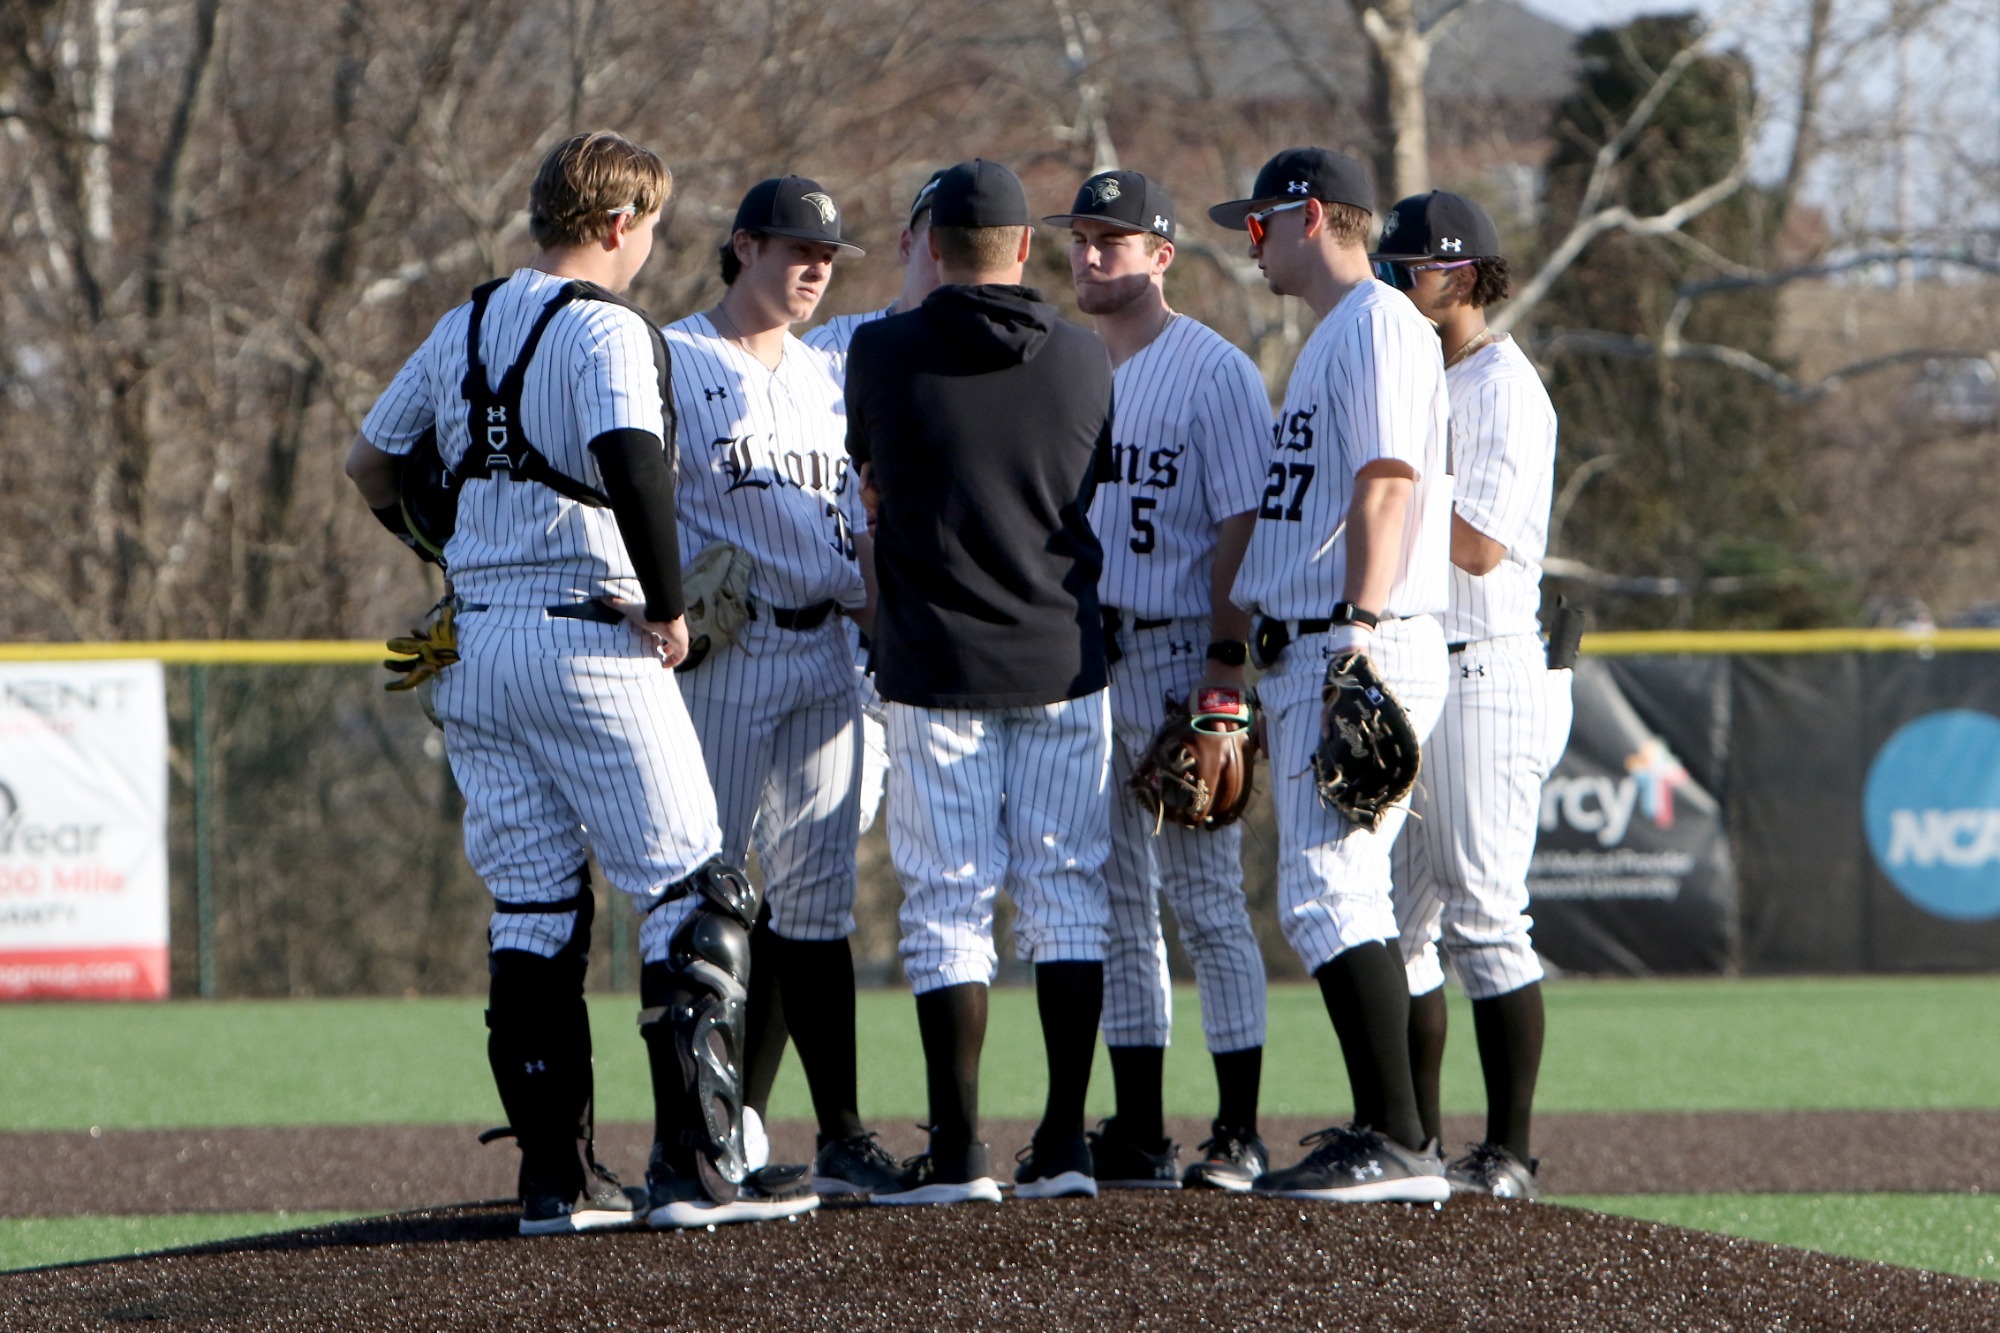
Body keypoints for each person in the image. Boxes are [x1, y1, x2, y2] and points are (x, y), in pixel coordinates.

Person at [345, 130, 816, 1232]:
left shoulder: (461, 320)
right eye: (648, 227)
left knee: (534, 904)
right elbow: (631, 460)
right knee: (695, 892)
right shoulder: (605, 325)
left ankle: (557, 1181)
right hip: (586, 634)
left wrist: (447, 543)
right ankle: (699, 1175)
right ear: (618, 225)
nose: (649, 247)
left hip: (475, 643)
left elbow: (370, 461)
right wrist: (667, 605)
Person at [844, 158, 1116, 1206]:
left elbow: (870, 471)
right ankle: (1063, 1143)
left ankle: (957, 1151)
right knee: (1066, 896)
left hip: (934, 661)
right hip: (1057, 654)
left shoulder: (879, 349)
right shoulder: (1086, 358)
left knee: (946, 902)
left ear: (932, 245)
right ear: (1019, 247)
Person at [1210, 146, 1454, 1203]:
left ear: (1309, 216)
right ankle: (1388, 1128)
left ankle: (1396, 1140)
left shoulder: (1380, 324)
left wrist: (1355, 627)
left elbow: (1388, 485)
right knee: (1337, 890)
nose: (1249, 243)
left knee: (1326, 889)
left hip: (1355, 633)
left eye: (1258, 224)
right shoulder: (1333, 335)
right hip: (1315, 636)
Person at [663, 175, 901, 1198]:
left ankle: (840, 1131)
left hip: (825, 655)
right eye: (796, 249)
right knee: (706, 896)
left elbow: (858, 514)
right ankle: (696, 1138)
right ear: (743, 245)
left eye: (827, 257)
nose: (812, 269)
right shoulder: (674, 357)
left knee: (816, 907)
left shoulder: (823, 374)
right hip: (727, 653)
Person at [1044, 169, 1274, 1192]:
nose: (1091, 255)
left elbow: (1242, 524)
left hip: (1186, 650)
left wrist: (1225, 670)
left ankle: (1237, 1129)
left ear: (1161, 255)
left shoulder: (1213, 370)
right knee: (1114, 897)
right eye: (1082, 238)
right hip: (1090, 654)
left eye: (1113, 239)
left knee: (1204, 899)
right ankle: (1137, 1126)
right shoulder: (1058, 365)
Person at [1377, 191, 1570, 1201]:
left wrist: (1377, 480)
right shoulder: (1414, 370)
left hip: (1481, 659)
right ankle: (1409, 1138)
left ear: (1457, 276)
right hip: (1411, 657)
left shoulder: (1502, 385)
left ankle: (1506, 1148)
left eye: (1401, 270)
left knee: (1485, 910)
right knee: (1397, 914)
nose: (1387, 284)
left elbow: (1477, 540)